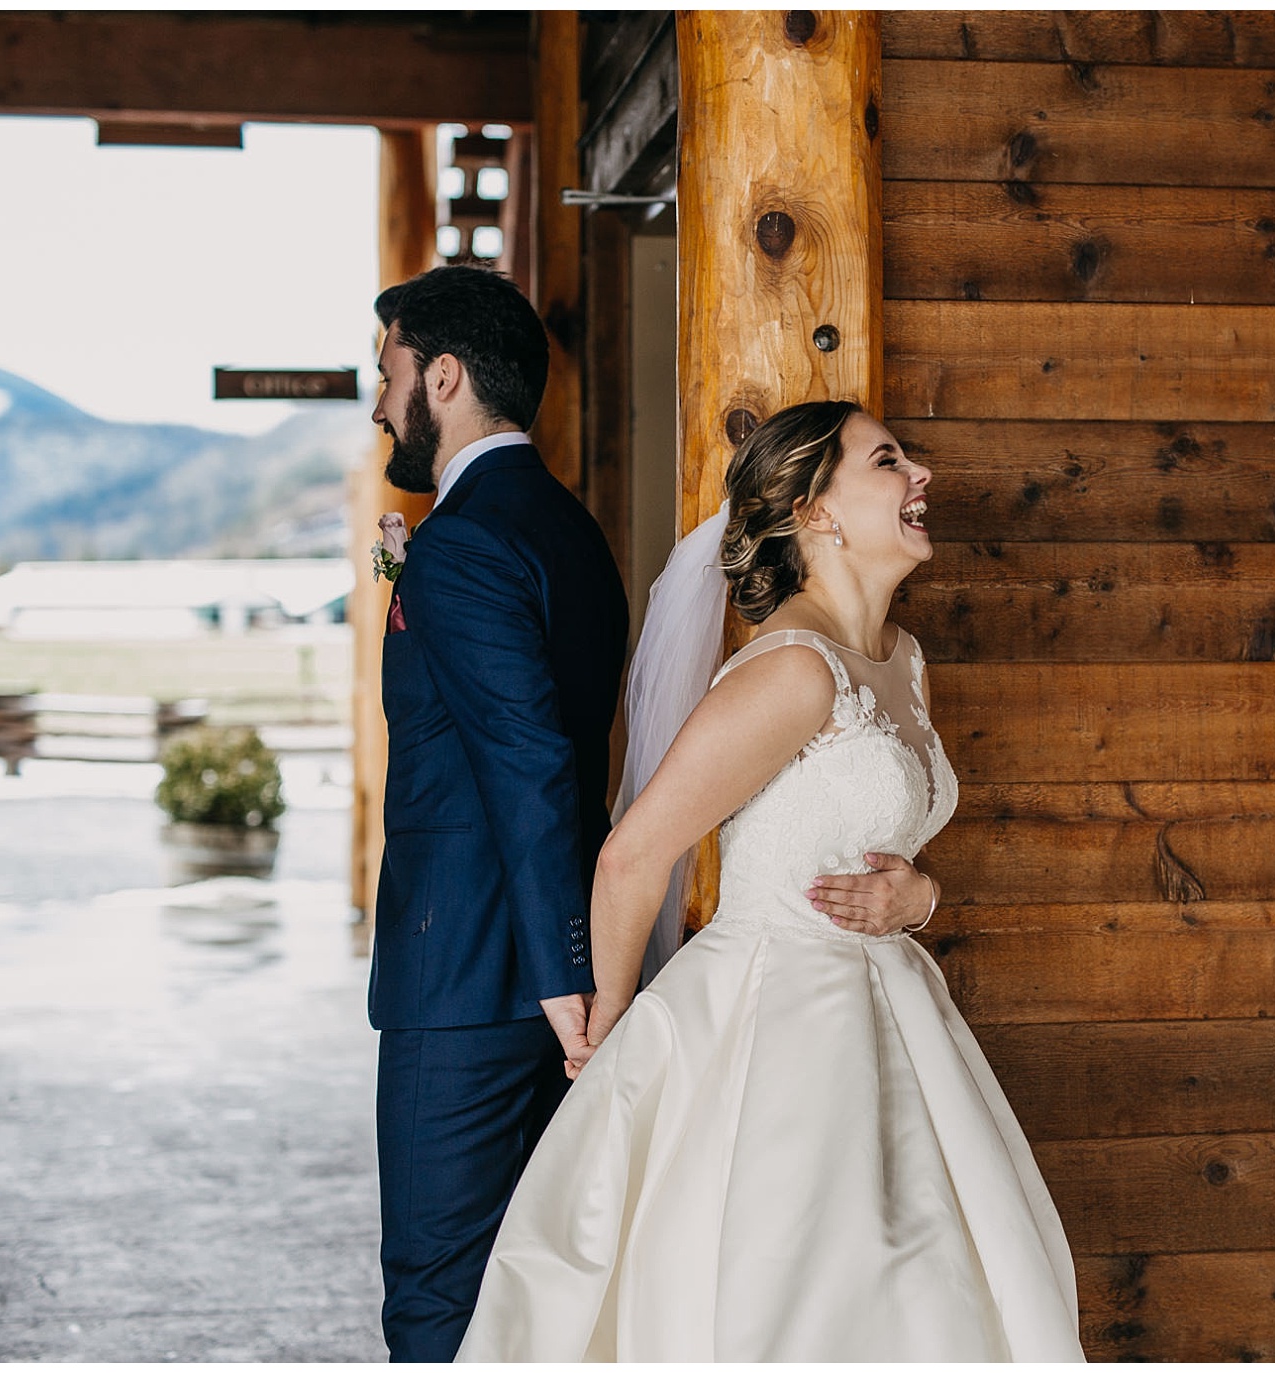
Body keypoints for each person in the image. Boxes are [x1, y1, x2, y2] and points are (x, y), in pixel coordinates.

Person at [456, 400, 1084, 1361]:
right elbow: (633, 854)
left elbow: (893, 846)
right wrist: (607, 1045)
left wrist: (922, 899)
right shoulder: (792, 673)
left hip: (897, 1021)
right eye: (888, 462)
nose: (921, 477)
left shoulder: (903, 663)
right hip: (777, 1022)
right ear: (815, 511)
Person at [366, 265, 629, 1361]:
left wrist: (564, 969)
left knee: (437, 1292)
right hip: (535, 967)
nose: (376, 403)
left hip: (471, 974)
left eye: (383, 375)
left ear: (443, 376)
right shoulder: (569, 532)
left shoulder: (466, 541)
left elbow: (527, 763)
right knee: (532, 1291)